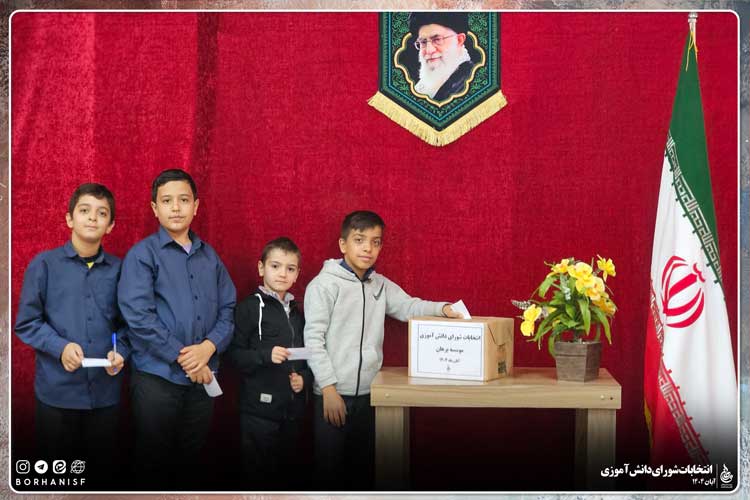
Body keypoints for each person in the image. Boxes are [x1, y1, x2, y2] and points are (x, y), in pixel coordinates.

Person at [304, 210, 461, 490]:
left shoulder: (380, 284)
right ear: (343, 244)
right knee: (329, 475)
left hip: (371, 396)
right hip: (332, 396)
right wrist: (328, 389)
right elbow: (313, 340)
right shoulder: (323, 285)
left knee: (365, 473)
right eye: (359, 240)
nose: (368, 248)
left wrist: (443, 309)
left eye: (375, 242)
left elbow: (409, 306)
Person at [117, 168, 236, 489]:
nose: (175, 207)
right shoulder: (142, 255)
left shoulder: (210, 257)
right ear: (154, 208)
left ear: (196, 206)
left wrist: (208, 348)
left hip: (203, 380)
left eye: (183, 200)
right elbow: (139, 317)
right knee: (153, 463)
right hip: (158, 379)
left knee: (191, 461)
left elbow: (228, 309)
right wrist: (186, 358)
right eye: (166, 201)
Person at [14, 183, 128, 489]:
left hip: (105, 396)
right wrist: (60, 347)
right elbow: (27, 323)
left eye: (102, 213)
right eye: (84, 210)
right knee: (57, 479)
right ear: (69, 218)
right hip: (56, 395)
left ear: (111, 225)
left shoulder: (121, 270)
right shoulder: (43, 265)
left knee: (100, 479)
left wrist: (122, 351)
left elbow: (129, 325)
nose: (92, 218)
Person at [227, 237, 312, 490]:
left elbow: (308, 356)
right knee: (258, 478)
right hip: (259, 413)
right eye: (275, 266)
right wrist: (265, 355)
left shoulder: (298, 312)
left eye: (290, 268)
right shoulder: (248, 308)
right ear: (261, 268)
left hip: (292, 412)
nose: (282, 274)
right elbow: (233, 355)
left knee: (287, 477)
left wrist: (304, 379)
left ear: (297, 274)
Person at [409, 12, 476, 102]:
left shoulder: (472, 82)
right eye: (423, 42)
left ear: (459, 40)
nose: (429, 50)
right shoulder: (422, 86)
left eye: (437, 40)